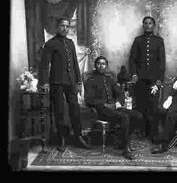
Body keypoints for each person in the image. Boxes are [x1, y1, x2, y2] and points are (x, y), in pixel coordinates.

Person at [38, 17, 90, 151]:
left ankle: (78, 136)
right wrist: (44, 82)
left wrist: (78, 81)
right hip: (57, 82)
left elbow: (75, 64)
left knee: (75, 109)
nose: (65, 28)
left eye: (67, 26)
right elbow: (44, 65)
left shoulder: (70, 43)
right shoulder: (50, 44)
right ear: (57, 27)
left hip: (71, 82)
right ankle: (62, 139)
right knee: (60, 111)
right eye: (62, 26)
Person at [84, 56, 143, 160]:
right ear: (95, 66)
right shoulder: (90, 80)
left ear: (106, 66)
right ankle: (125, 148)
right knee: (124, 117)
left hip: (114, 108)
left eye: (103, 64)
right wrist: (104, 105)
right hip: (101, 110)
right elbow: (88, 99)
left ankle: (123, 140)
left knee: (138, 115)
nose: (101, 66)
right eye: (98, 63)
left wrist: (118, 103)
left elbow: (119, 93)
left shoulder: (109, 79)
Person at [129, 16, 166, 141]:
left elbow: (162, 62)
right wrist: (134, 74)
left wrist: (159, 81)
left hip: (154, 80)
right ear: (143, 25)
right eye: (145, 23)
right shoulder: (138, 40)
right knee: (141, 106)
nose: (148, 25)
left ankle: (153, 133)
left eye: (150, 23)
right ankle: (142, 131)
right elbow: (132, 59)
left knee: (154, 107)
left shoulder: (159, 41)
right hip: (140, 79)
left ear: (153, 25)